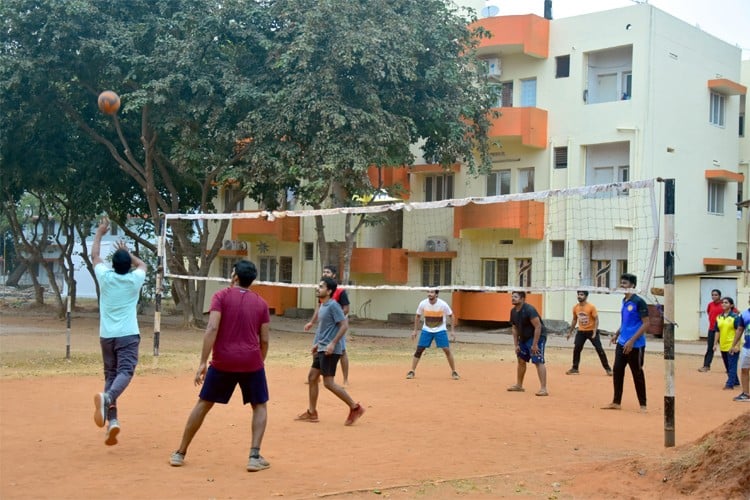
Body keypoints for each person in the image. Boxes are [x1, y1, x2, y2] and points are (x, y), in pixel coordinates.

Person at [170, 260, 271, 471]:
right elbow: (265, 339)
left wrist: (202, 362)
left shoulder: (221, 296)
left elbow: (212, 328)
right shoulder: (261, 303)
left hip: (223, 361)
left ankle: (180, 452)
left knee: (203, 404)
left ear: (235, 277)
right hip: (251, 362)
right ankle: (254, 456)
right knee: (259, 405)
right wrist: (259, 361)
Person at [91, 216, 147, 446]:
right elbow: (143, 265)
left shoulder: (105, 276)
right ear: (128, 265)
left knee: (111, 375)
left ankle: (112, 422)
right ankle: (109, 398)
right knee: (125, 371)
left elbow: (95, 256)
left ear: (113, 265)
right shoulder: (134, 279)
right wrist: (128, 251)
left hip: (107, 335)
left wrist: (100, 234)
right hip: (127, 334)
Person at [295, 277, 365, 425]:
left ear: (329, 291)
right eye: (318, 286)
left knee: (328, 383)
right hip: (322, 347)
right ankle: (312, 412)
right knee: (312, 377)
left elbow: (344, 325)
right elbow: (324, 328)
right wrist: (318, 344)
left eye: (321, 286)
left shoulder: (333, 306)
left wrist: (332, 344)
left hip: (330, 350)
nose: (317, 288)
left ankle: (355, 407)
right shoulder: (323, 306)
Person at [602, 273, 648, 411]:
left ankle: (643, 405)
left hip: (636, 345)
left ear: (632, 286)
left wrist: (632, 341)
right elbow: (626, 322)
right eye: (621, 283)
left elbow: (646, 324)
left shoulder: (639, 302)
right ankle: (616, 402)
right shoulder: (624, 301)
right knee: (617, 370)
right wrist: (617, 333)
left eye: (625, 283)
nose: (622, 285)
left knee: (637, 373)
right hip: (622, 342)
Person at [304, 265, 351, 384]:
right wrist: (312, 322)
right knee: (316, 348)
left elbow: (346, 309)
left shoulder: (339, 292)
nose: (325, 273)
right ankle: (316, 375)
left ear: (334, 275)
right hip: (324, 326)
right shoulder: (322, 292)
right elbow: (319, 308)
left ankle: (345, 380)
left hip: (337, 326)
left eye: (328, 272)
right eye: (324, 271)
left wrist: (335, 317)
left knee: (342, 352)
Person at [406, 289, 459, 380]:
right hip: (427, 329)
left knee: (446, 349)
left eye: (432, 292)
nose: (429, 294)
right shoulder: (423, 303)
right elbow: (418, 316)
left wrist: (452, 331)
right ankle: (412, 371)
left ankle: (454, 371)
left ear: (436, 294)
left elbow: (451, 315)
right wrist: (415, 330)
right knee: (419, 349)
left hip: (440, 330)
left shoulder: (443, 304)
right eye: (428, 292)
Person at [507, 291, 548, 396]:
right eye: (512, 297)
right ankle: (519, 385)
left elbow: (538, 327)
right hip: (524, 338)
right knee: (521, 360)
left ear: (522, 299)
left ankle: (543, 389)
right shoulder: (513, 311)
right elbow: (514, 328)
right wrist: (516, 345)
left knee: (538, 360)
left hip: (537, 336)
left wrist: (535, 345)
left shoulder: (530, 309)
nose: (513, 298)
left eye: (515, 297)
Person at [566, 291, 613, 376]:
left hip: (591, 331)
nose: (579, 296)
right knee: (577, 348)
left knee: (599, 349)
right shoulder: (575, 307)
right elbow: (574, 320)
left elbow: (596, 320)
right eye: (578, 294)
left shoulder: (591, 307)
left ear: (586, 296)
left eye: (581, 295)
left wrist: (595, 332)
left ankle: (608, 369)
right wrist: (570, 332)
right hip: (581, 331)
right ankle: (575, 368)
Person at [715, 296, 741, 391]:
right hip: (723, 344)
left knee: (732, 364)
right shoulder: (719, 317)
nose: (723, 304)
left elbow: (739, 331)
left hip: (732, 344)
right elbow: (717, 331)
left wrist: (736, 345)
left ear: (731, 305)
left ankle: (729, 384)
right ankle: (736, 381)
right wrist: (715, 344)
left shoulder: (735, 317)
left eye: (726, 302)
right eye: (723, 302)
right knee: (727, 365)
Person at [699, 289, 723, 372]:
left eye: (716, 295)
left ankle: (729, 368)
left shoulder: (724, 305)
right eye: (712, 295)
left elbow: (735, 313)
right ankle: (706, 366)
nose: (714, 296)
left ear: (720, 296)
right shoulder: (710, 305)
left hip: (723, 331)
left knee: (725, 350)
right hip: (712, 330)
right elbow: (709, 313)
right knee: (710, 348)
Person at [734, 298, 750, 402]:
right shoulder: (744, 314)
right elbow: (740, 329)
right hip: (747, 347)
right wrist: (734, 344)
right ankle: (745, 393)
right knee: (744, 369)